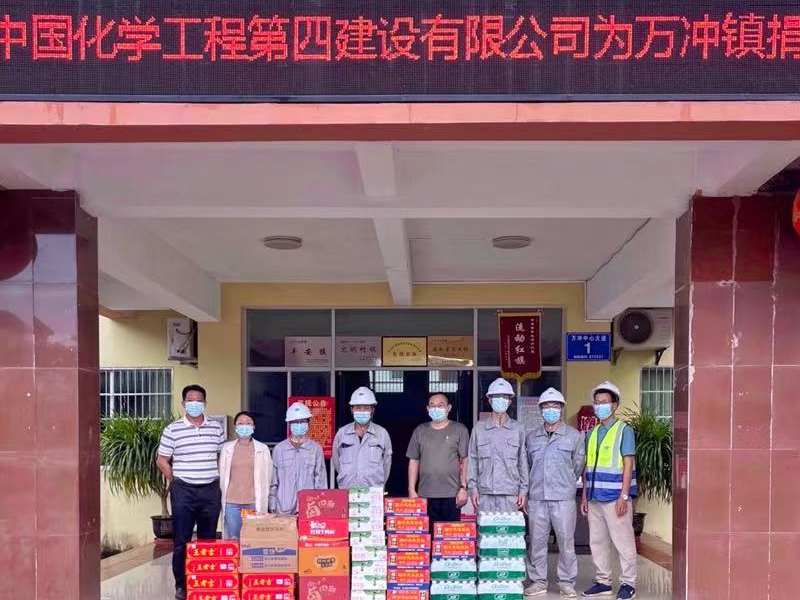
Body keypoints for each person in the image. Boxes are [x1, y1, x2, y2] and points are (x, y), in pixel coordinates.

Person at [156, 385, 225, 600]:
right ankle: (182, 585)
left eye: (199, 400)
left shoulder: (216, 428)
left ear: (205, 403)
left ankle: (204, 581)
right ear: (183, 403)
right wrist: (176, 480)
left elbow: (222, 457)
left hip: (210, 491)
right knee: (181, 540)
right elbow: (162, 460)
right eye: (190, 400)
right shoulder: (172, 429)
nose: (195, 404)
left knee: (208, 540)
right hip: (184, 492)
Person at [524, 388, 585, 598]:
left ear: (561, 408)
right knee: (537, 542)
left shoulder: (574, 436)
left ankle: (567, 582)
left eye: (555, 406)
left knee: (566, 542)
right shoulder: (532, 437)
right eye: (547, 406)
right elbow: (528, 465)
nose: (551, 410)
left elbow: (577, 466)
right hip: (537, 497)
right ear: (541, 410)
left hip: (563, 497)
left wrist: (564, 482)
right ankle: (538, 581)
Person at [581, 382, 638, 600]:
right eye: (597, 402)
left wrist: (624, 495)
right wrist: (585, 496)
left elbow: (628, 463)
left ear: (614, 405)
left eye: (604, 402)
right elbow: (587, 466)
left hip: (616, 498)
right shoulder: (592, 433)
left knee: (623, 542)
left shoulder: (624, 430)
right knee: (597, 542)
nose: (600, 406)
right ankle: (603, 582)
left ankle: (628, 583)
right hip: (595, 497)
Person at [407, 393, 470, 526]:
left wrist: (464, 488)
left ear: (449, 408)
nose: (436, 408)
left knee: (449, 536)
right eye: (432, 405)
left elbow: (465, 460)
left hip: (452, 495)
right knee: (426, 535)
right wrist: (411, 489)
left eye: (441, 405)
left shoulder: (459, 430)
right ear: (427, 409)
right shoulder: (420, 431)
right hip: (425, 494)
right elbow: (414, 460)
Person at [467, 378, 529, 513]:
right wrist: (473, 489)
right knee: (485, 527)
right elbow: (472, 461)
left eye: (504, 397)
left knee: (510, 527)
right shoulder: (479, 429)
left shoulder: (517, 429)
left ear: (510, 401)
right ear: (490, 400)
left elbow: (523, 462)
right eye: (496, 397)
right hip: (484, 494)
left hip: (511, 494)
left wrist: (524, 490)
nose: (500, 400)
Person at [219, 411, 272, 538]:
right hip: (231, 502)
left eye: (248, 423)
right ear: (235, 426)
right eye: (241, 423)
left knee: (253, 539)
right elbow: (222, 474)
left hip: (254, 502)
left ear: (254, 427)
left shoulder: (262, 448)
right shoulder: (227, 448)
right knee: (233, 539)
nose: (244, 426)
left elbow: (268, 477)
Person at [269, 402, 328, 514]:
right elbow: (273, 480)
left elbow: (320, 480)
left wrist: (321, 503)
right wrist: (272, 503)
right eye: (295, 422)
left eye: (302, 421)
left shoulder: (315, 448)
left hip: (310, 506)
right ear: (289, 424)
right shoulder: (279, 449)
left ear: (308, 423)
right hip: (283, 506)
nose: (299, 424)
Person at [332, 386, 393, 489]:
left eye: (366, 407)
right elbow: (336, 462)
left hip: (373, 492)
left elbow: (386, 464)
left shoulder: (382, 434)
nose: (362, 411)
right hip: (347, 490)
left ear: (372, 410)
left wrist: (377, 484)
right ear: (352, 409)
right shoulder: (342, 433)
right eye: (358, 407)